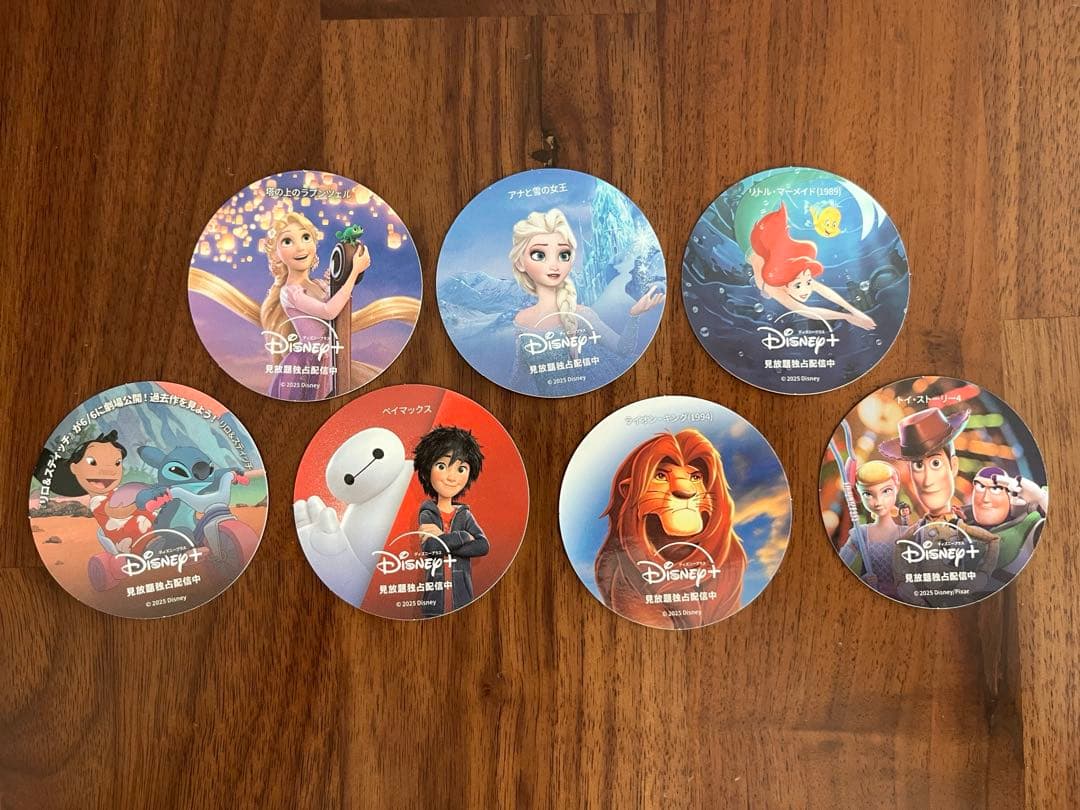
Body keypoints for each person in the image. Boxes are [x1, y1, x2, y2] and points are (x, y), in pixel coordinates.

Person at [508, 209, 663, 393]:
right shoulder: (521, 320)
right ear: (520, 262)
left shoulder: (583, 315)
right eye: (539, 255)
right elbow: (520, 375)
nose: (554, 265)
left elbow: (622, 349)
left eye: (563, 255)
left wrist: (634, 315)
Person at [878, 407, 1000, 606]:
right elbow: (900, 548)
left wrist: (982, 576)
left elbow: (992, 541)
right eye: (918, 466)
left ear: (953, 466)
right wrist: (903, 585)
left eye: (936, 463)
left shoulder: (962, 527)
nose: (927, 480)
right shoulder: (913, 533)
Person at [259, 210, 370, 399]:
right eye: (288, 241)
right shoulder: (290, 292)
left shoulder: (318, 283)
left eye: (305, 237)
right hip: (307, 364)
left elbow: (338, 302)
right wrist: (353, 274)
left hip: (329, 358)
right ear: (276, 254)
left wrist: (346, 270)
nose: (300, 247)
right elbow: (329, 311)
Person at [748, 203, 875, 329]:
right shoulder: (774, 287)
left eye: (808, 282)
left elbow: (822, 289)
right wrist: (847, 316)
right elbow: (806, 311)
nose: (806, 290)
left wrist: (854, 311)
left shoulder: (792, 273)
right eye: (798, 286)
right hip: (750, 246)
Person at [413, 426, 489, 616]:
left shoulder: (464, 514)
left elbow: (482, 546)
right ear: (427, 470)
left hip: (463, 601)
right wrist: (464, 536)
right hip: (433, 603)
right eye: (441, 466)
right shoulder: (427, 512)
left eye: (461, 469)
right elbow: (431, 547)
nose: (451, 477)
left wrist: (443, 538)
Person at [963, 466, 1047, 579]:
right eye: (980, 487)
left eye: (995, 489)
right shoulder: (957, 527)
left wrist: (1041, 500)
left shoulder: (1031, 526)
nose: (985, 499)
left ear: (1010, 496)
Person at [837, 460, 904, 598]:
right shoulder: (861, 534)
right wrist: (862, 580)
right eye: (868, 494)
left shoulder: (906, 533)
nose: (878, 502)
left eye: (886, 491)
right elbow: (840, 564)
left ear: (896, 488)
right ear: (858, 495)